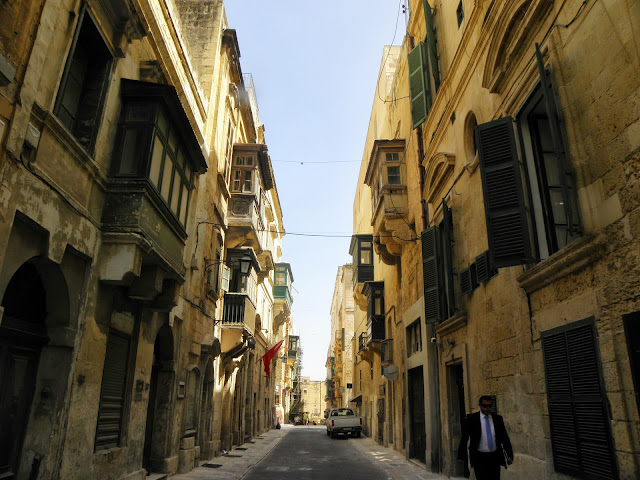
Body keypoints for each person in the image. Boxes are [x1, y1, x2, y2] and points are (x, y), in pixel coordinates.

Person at [457, 395, 513, 480]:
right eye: (485, 406)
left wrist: (509, 455)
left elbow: (504, 438)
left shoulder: (497, 419)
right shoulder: (472, 419)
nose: (487, 408)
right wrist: (461, 456)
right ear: (479, 405)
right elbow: (464, 438)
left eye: (490, 406)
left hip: (494, 457)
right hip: (479, 457)